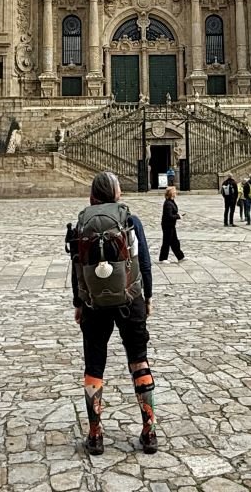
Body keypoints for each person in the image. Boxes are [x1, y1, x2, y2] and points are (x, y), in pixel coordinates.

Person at [68, 171, 157, 456]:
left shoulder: (82, 223)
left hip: (94, 304)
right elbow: (144, 262)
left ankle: (95, 435)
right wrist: (148, 297)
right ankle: (149, 430)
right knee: (139, 361)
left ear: (92, 194)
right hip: (131, 299)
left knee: (94, 367)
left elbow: (77, 267)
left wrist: (78, 303)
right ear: (117, 194)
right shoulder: (131, 220)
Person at [159, 185, 185, 262]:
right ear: (171, 193)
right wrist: (178, 216)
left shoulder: (171, 202)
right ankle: (163, 258)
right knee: (166, 242)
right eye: (174, 192)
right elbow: (169, 216)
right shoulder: (168, 204)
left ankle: (180, 257)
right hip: (167, 225)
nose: (175, 193)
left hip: (171, 225)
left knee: (175, 242)